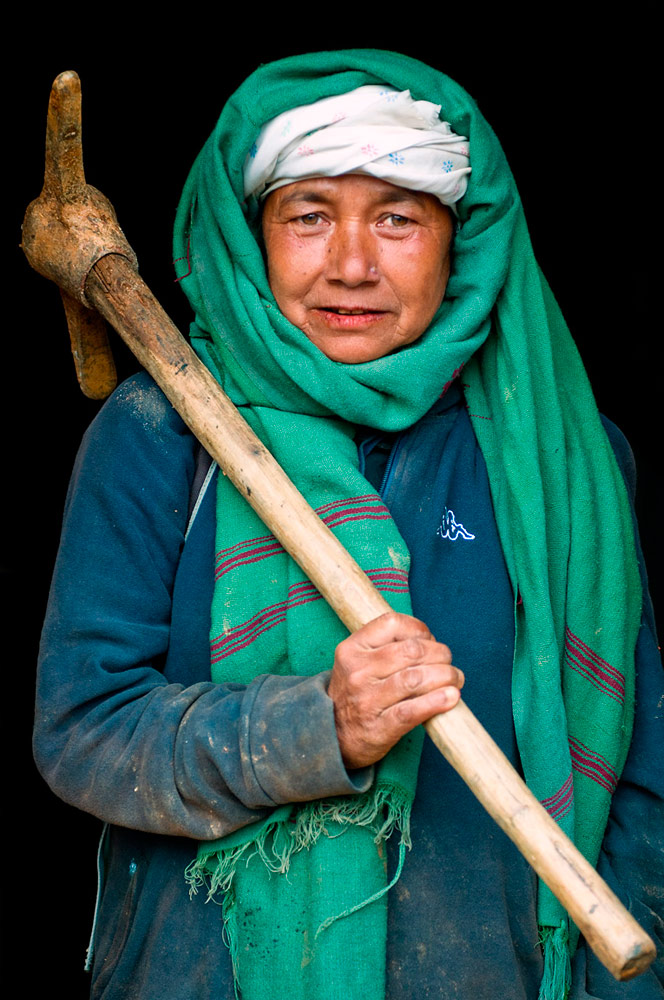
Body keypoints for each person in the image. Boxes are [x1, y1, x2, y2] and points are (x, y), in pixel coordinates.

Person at [33, 50, 663, 1000]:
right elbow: (83, 730)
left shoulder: (563, 460)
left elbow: (643, 786)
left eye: (400, 218)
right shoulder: (160, 432)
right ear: (254, 237)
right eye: (310, 215)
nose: (354, 266)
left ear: (465, 239)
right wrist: (314, 723)